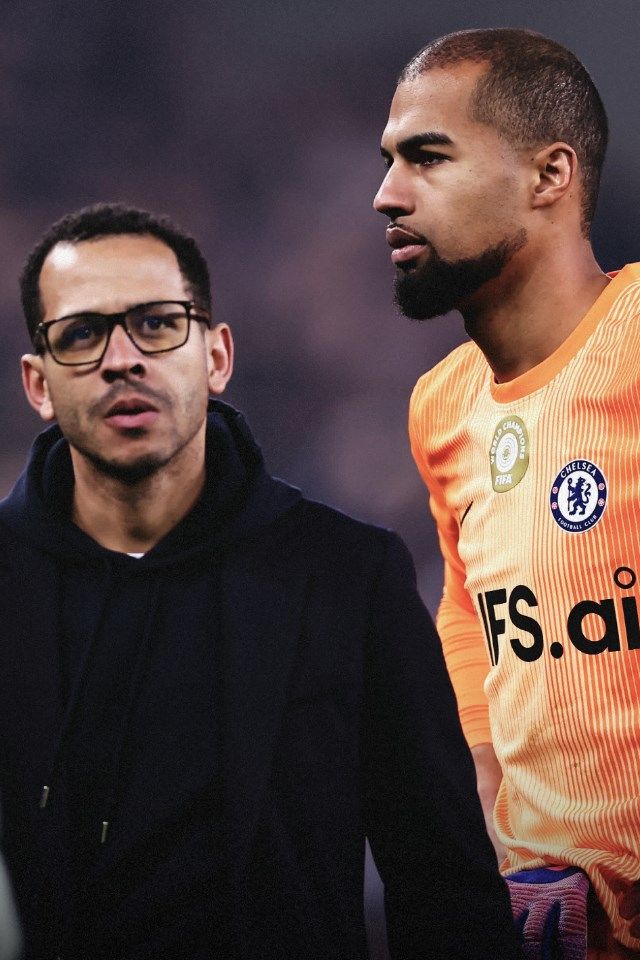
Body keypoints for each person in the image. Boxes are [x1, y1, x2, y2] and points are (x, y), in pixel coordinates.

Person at [0, 203, 519, 960]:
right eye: (81, 335)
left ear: (217, 356)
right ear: (38, 383)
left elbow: (445, 889)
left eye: (156, 324)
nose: (121, 359)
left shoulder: (348, 578)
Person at [374, 25, 640, 960]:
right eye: (388, 161)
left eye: (428, 157)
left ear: (549, 175)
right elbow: (471, 611)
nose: (387, 194)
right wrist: (489, 798)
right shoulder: (441, 406)